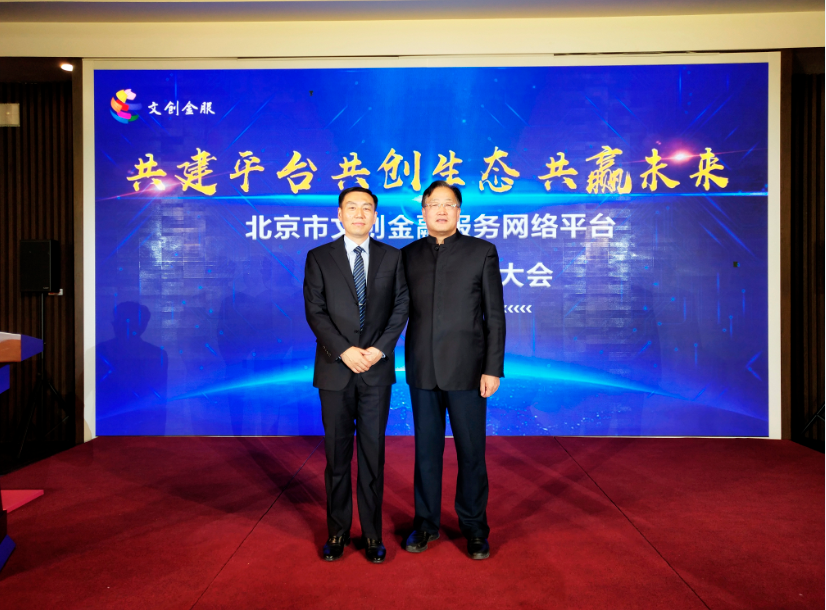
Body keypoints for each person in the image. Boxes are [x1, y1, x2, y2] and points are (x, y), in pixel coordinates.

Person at [303, 186, 409, 563]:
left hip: (376, 370)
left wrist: (378, 350)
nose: (360, 214)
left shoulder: (393, 257)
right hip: (335, 368)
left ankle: (372, 534)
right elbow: (315, 311)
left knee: (372, 456)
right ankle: (337, 531)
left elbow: (401, 307)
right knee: (336, 456)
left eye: (367, 208)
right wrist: (345, 351)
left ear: (375, 216)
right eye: (352, 208)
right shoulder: (319, 257)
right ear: (340, 214)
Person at [401, 180, 505, 560]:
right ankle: (425, 524)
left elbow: (495, 316)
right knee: (425, 453)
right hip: (422, 371)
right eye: (435, 204)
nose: (442, 210)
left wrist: (492, 368)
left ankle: (474, 528)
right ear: (423, 211)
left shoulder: (482, 252)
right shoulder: (407, 255)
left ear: (459, 211)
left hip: (468, 371)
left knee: (471, 453)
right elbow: (396, 313)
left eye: (449, 204)